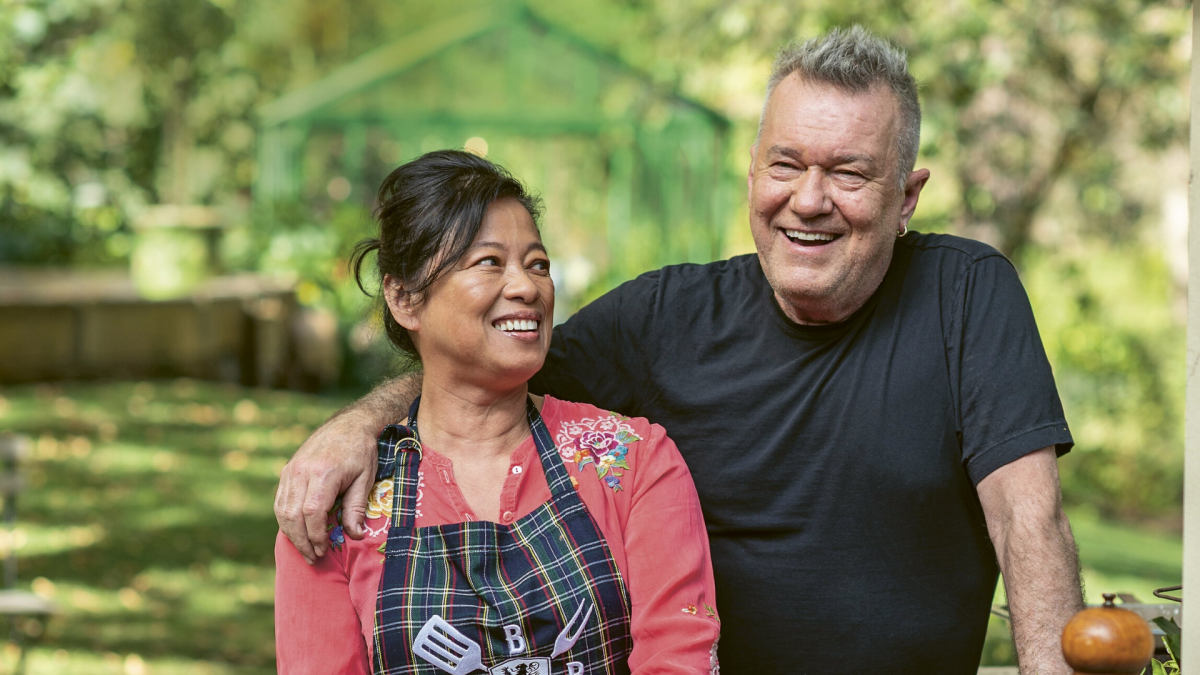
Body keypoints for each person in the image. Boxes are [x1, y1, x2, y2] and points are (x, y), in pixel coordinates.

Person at [275, 27, 1084, 674]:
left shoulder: (966, 294)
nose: (808, 199)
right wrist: (360, 424)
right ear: (751, 173)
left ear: (906, 196)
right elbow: (482, 369)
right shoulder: (665, 316)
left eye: (848, 173)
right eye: (786, 163)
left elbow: (1028, 516)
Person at [274, 150, 721, 675]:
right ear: (404, 299)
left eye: (538, 265)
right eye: (489, 262)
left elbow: (678, 658)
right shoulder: (334, 503)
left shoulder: (632, 461)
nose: (528, 287)